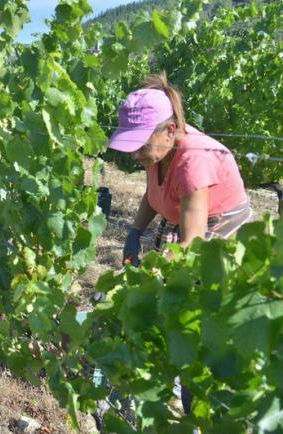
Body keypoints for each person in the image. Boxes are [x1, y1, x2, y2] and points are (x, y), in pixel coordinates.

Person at [107, 72, 252, 414]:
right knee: (164, 300)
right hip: (185, 216)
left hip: (218, 227)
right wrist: (135, 231)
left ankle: (197, 393)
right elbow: (154, 192)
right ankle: (169, 371)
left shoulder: (192, 162)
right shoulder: (158, 150)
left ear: (170, 131)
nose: (136, 154)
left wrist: (139, 284)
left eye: (141, 145)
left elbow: (191, 246)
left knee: (191, 309)